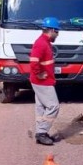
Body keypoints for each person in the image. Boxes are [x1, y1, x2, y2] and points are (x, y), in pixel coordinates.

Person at [30, 17, 61, 146]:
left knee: (40, 108)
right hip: (42, 81)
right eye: (57, 32)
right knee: (54, 106)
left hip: (43, 80)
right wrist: (39, 73)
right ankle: (41, 132)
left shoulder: (46, 42)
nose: (58, 35)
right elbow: (33, 61)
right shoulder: (41, 43)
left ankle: (40, 132)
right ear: (52, 30)